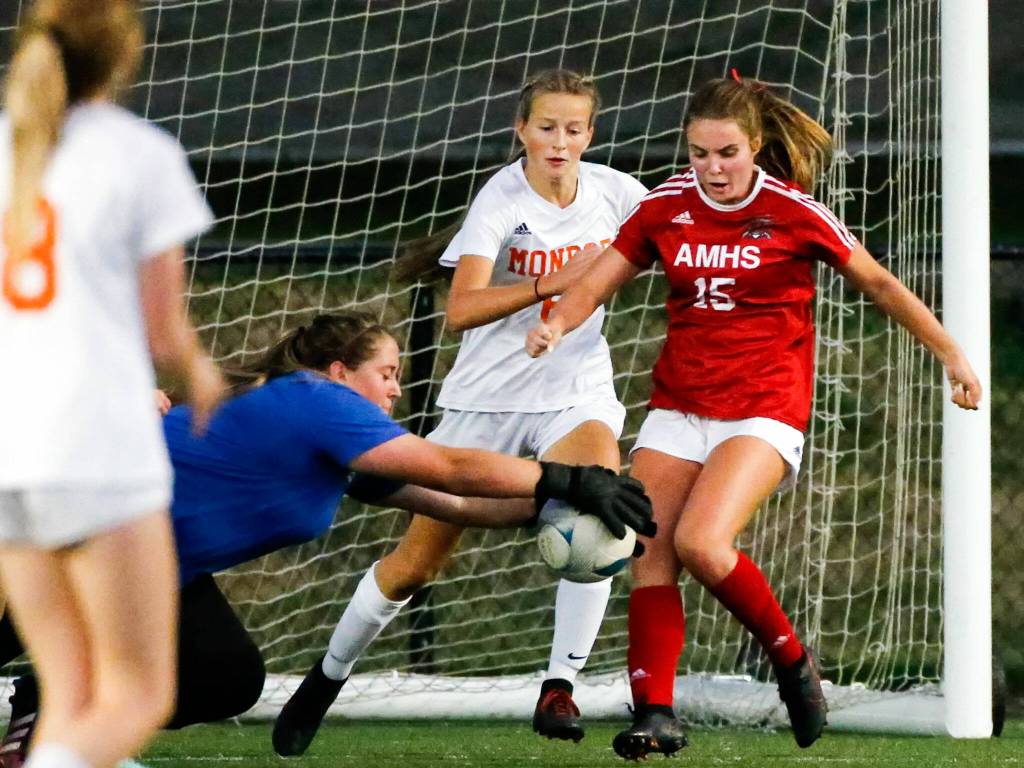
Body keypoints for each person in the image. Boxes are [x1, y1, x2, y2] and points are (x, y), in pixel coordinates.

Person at [525, 75, 982, 760]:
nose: (712, 168)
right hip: (680, 405)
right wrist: (554, 325)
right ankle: (655, 712)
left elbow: (880, 283)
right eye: (699, 153)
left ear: (756, 145)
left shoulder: (794, 211)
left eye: (727, 153)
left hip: (764, 408)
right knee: (648, 550)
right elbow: (598, 280)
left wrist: (952, 355)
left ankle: (792, 662)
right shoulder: (666, 207)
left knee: (703, 544)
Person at [0, 312, 655, 764]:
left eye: (400, 376)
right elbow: (450, 466)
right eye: (386, 373)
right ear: (340, 372)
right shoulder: (317, 400)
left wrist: (562, 503)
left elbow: (456, 502)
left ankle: (46, 716)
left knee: (225, 677)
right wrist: (563, 475)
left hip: (141, 568)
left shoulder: (338, 454)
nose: (396, 389)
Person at [271, 68, 650, 755]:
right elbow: (460, 310)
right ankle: (324, 681)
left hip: (574, 391)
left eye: (573, 129)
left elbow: (671, 232)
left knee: (603, 505)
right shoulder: (501, 199)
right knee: (415, 566)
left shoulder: (617, 193)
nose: (559, 142)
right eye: (545, 127)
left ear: (591, 135)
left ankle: (559, 686)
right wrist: (549, 282)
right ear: (521, 131)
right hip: (485, 401)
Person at [0, 2, 224, 768]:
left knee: (70, 696)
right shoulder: (136, 153)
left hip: (12, 448)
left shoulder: (7, 146)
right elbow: (164, 336)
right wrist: (201, 374)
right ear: (125, 54)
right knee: (134, 695)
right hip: (95, 446)